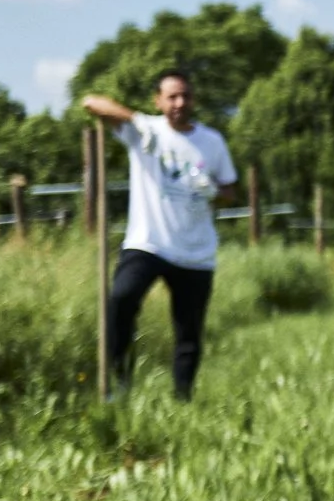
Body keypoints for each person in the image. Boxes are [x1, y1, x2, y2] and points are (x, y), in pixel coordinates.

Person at [81, 70, 238, 401]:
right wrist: (137, 121)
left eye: (186, 96)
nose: (180, 103)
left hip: (195, 251)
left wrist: (211, 190)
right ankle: (118, 385)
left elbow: (230, 191)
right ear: (159, 101)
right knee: (121, 299)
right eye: (172, 97)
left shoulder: (212, 142)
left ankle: (182, 400)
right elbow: (92, 102)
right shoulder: (144, 133)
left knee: (188, 332)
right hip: (148, 242)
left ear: (194, 100)